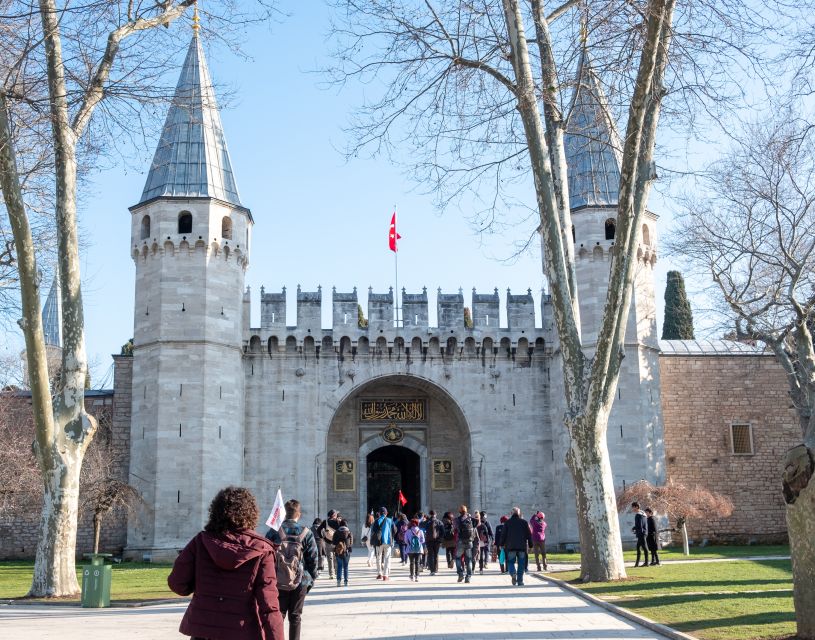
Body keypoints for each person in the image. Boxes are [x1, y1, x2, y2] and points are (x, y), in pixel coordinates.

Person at [168, 486, 285, 640]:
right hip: (242, 631)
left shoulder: (201, 541)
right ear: (251, 514)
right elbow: (269, 605)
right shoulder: (262, 549)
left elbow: (178, 584)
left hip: (204, 631)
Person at [266, 499, 319, 640]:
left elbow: (266, 558)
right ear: (299, 514)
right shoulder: (306, 533)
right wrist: (309, 581)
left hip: (278, 581)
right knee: (295, 617)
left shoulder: (273, 532)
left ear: (284, 514)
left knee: (279, 615)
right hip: (300, 581)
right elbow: (313, 559)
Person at [503, 506, 532, 586]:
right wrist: (530, 544)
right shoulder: (524, 522)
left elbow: (503, 535)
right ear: (519, 513)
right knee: (521, 564)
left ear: (512, 513)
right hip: (522, 547)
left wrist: (501, 544)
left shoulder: (507, 523)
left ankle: (513, 573)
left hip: (511, 546)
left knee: (510, 562)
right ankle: (520, 581)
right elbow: (529, 535)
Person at [371, 506, 397, 580]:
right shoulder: (390, 520)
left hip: (378, 542)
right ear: (386, 513)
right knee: (387, 558)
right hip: (388, 542)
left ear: (379, 513)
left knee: (378, 558)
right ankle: (385, 575)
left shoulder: (376, 521)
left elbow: (374, 531)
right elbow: (395, 530)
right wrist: (391, 535)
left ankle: (379, 574)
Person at [454, 504, 476, 583]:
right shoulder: (470, 519)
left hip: (461, 541)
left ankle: (460, 574)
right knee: (469, 560)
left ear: (459, 511)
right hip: (469, 541)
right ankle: (468, 577)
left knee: (458, 558)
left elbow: (455, 528)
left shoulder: (457, 519)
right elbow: (477, 523)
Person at [317, 510, 341, 580]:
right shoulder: (338, 521)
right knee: (336, 558)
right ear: (334, 515)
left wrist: (323, 537)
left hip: (328, 542)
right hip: (337, 542)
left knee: (330, 559)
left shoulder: (325, 522)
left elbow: (319, 530)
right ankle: (337, 573)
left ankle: (331, 574)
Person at [333, 518, 354, 586]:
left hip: (338, 551)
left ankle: (338, 581)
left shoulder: (336, 532)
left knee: (339, 566)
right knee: (346, 566)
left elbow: (334, 542)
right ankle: (346, 581)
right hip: (346, 552)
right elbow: (351, 543)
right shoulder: (349, 532)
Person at [423, 510, 443, 575]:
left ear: (429, 514)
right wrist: (440, 539)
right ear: (435, 514)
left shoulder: (427, 522)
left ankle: (432, 570)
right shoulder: (439, 522)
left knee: (430, 555)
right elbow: (443, 531)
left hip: (429, 541)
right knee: (436, 554)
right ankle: (436, 569)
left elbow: (420, 526)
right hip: (437, 541)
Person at [631, 502, 649, 567]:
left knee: (644, 548)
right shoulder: (643, 514)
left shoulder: (638, 515)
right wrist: (635, 528)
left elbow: (639, 525)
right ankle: (637, 564)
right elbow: (642, 524)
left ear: (636, 507)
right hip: (644, 532)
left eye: (633, 507)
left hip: (641, 533)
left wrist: (634, 529)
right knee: (638, 547)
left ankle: (646, 563)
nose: (632, 509)